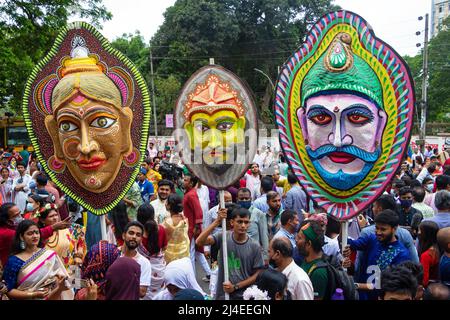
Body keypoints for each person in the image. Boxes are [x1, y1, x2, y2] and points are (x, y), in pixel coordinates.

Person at [196, 207, 264, 300]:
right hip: (223, 295)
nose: (243, 225)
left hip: (244, 296)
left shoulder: (254, 246)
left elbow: (258, 274)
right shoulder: (223, 237)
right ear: (232, 222)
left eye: (246, 222)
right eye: (239, 222)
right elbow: (199, 242)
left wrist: (235, 287)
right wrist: (217, 221)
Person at [343, 209, 411, 300]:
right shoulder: (372, 239)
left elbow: (387, 285)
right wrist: (342, 223)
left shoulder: (401, 254)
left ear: (394, 229)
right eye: (376, 228)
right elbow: (349, 243)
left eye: (383, 229)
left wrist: (354, 285)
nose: (378, 232)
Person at [2, 220, 73, 300]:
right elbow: (9, 290)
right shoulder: (14, 261)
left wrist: (58, 277)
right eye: (30, 233)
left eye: (37, 232)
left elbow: (61, 275)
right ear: (21, 237)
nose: (35, 236)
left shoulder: (48, 254)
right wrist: (33, 294)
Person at [355, 195, 419, 282]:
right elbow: (415, 261)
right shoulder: (406, 234)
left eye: (374, 206)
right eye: (377, 229)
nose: (378, 233)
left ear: (379, 209)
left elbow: (359, 264)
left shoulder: (367, 232)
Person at [38, 203, 86, 272]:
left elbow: (80, 235)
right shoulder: (39, 235)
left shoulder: (68, 229)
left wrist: (79, 252)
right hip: (50, 273)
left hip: (70, 271)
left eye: (56, 215)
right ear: (42, 220)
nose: (55, 218)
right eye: (51, 216)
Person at [136, 203, 167, 299]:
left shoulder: (137, 234)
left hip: (143, 270)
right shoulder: (161, 229)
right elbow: (164, 247)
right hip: (159, 270)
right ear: (152, 215)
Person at [296, 220, 329, 300]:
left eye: (299, 238)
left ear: (308, 244)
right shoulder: (307, 259)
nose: (296, 240)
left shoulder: (318, 273)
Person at [236, 188, 269, 265]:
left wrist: (265, 257)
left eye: (246, 198)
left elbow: (264, 236)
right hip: (237, 254)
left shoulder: (258, 214)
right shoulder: (234, 214)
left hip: (253, 254)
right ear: (237, 199)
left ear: (251, 199)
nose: (244, 200)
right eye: (241, 198)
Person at [120, 221, 152, 299]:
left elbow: (142, 292)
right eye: (131, 233)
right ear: (124, 236)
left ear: (141, 239)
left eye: (138, 235)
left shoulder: (144, 262)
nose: (134, 237)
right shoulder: (113, 255)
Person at [182, 174, 203, 272]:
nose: (183, 181)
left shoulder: (191, 194)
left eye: (185, 180)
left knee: (191, 253)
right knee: (197, 253)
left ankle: (192, 277)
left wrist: (196, 226)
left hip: (191, 228)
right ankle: (209, 273)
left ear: (191, 183)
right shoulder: (188, 193)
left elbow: (198, 211)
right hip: (189, 225)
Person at [163, 193, 190, 264]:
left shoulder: (168, 222)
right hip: (184, 255)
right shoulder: (185, 220)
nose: (165, 204)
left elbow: (164, 241)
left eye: (166, 202)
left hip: (170, 257)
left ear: (169, 206)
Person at [418, 221, 440, 287]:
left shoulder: (426, 255)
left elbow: (424, 281)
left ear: (426, 234)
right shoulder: (436, 248)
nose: (418, 232)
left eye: (420, 230)